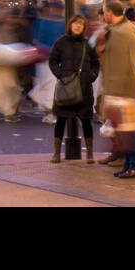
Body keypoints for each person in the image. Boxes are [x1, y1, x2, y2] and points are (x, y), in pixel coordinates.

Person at [98, 0, 135, 178]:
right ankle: (129, 164)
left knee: (128, 130)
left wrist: (112, 93)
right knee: (126, 129)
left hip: (122, 87)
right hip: (127, 84)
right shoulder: (127, 27)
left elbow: (118, 64)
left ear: (110, 13)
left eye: (104, 12)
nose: (103, 15)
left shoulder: (119, 33)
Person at [48, 12, 100, 162]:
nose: (78, 26)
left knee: (86, 121)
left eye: (81, 24)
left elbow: (96, 62)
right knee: (61, 120)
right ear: (70, 25)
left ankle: (89, 153)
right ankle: (57, 153)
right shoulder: (61, 42)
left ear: (84, 27)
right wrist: (60, 75)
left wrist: (93, 75)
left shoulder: (88, 43)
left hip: (84, 88)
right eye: (75, 23)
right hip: (66, 87)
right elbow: (52, 60)